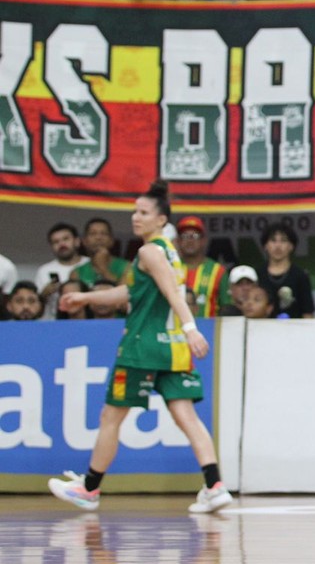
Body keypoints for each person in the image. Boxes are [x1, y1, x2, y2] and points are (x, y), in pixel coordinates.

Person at [49, 180, 232, 515]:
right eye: (135, 210)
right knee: (186, 416)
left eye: (144, 212)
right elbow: (132, 294)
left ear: (162, 220)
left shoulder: (149, 251)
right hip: (172, 349)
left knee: (110, 417)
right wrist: (87, 297)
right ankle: (215, 484)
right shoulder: (169, 253)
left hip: (141, 347)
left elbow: (172, 294)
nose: (136, 217)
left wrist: (192, 327)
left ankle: (89, 489)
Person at [176, 216, 231, 318]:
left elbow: (226, 307)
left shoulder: (218, 271)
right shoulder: (170, 268)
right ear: (178, 241)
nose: (190, 240)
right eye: (185, 236)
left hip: (209, 331)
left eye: (195, 236)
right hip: (175, 331)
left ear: (203, 240)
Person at [258, 222, 314, 318]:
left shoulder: (300, 276)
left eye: (283, 241)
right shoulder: (257, 274)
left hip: (295, 330)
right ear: (265, 246)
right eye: (273, 240)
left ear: (291, 246)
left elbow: (307, 312)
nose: (278, 246)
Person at [36, 222, 90, 318]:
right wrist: (44, 294)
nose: (61, 244)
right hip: (55, 323)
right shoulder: (44, 270)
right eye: (56, 242)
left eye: (66, 239)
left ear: (77, 241)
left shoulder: (90, 265)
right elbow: (36, 305)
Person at [74, 217, 129, 287]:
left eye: (104, 233)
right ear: (84, 241)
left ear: (111, 241)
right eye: (93, 234)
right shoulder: (77, 273)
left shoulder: (126, 267)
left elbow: (126, 294)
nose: (98, 237)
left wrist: (103, 269)